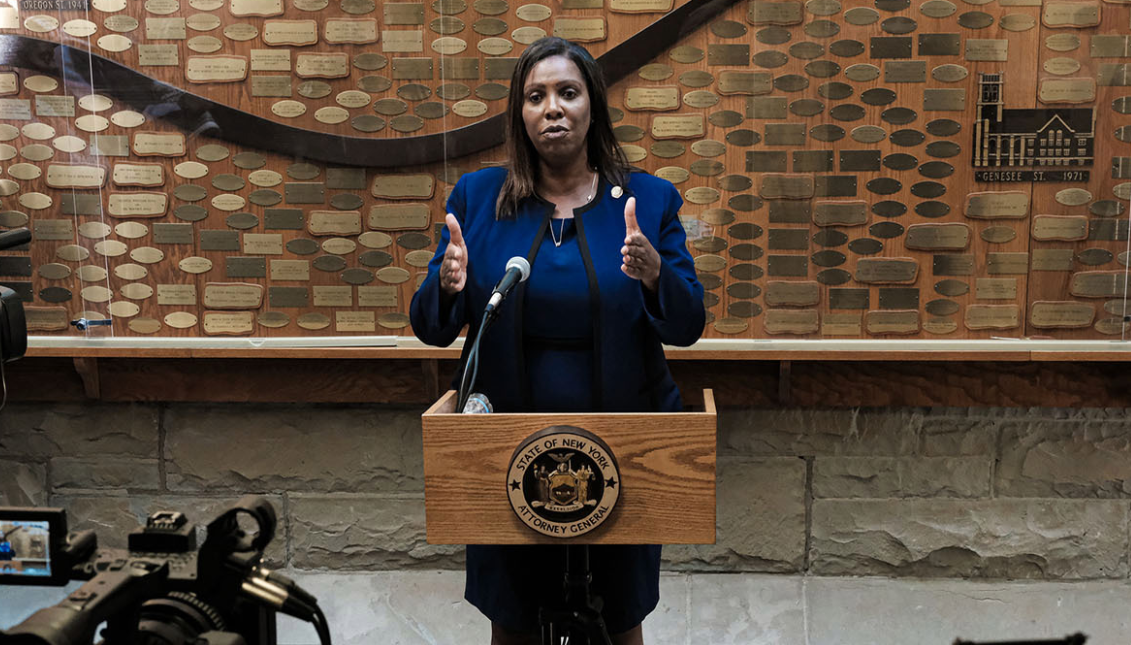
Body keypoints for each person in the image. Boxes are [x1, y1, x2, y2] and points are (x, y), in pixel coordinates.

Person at [409, 36, 705, 645]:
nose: (553, 108)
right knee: (512, 622)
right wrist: (446, 284)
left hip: (624, 454)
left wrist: (655, 274)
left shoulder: (648, 201)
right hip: (505, 453)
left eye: (567, 93)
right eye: (536, 96)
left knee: (620, 621)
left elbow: (688, 326)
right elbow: (433, 330)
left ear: (591, 105)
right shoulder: (479, 200)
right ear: (519, 113)